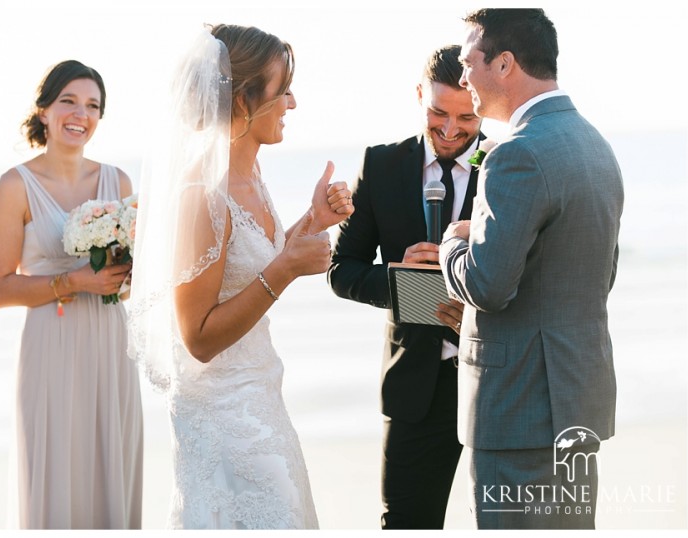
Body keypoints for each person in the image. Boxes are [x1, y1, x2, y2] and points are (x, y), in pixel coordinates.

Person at [128, 24, 353, 529]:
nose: (292, 103)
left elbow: (249, 255)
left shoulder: (249, 174)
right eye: (283, 90)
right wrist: (287, 270)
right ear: (244, 100)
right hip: (223, 419)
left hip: (261, 397)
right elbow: (198, 339)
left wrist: (313, 220)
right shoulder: (201, 195)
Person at [439, 9, 624, 529]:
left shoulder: (517, 154)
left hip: (519, 410)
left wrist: (456, 245)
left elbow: (487, 286)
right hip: (574, 405)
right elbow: (598, 274)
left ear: (504, 63)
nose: (463, 76)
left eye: (467, 61)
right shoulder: (595, 144)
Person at [328, 45, 485, 529]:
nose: (451, 129)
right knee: (406, 525)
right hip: (416, 389)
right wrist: (402, 279)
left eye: (466, 117)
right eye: (438, 112)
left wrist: (480, 314)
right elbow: (343, 270)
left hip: (496, 379)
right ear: (419, 95)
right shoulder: (381, 165)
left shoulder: (509, 164)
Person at [0, 60, 143, 529]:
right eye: (69, 102)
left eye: (92, 105)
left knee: (108, 464)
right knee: (52, 468)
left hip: (111, 345)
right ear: (44, 111)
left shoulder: (120, 183)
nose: (81, 114)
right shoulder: (15, 186)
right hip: (49, 345)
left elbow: (132, 280)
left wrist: (129, 277)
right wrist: (72, 282)